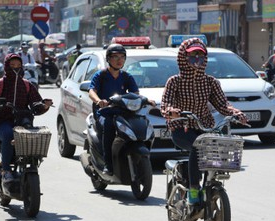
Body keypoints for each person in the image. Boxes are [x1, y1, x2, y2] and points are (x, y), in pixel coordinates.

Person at [160, 38, 247, 208]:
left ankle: (209, 185)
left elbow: (223, 105)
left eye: (201, 55)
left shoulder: (210, 82)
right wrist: (172, 111)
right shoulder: (174, 81)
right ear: (184, 57)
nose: (197, 59)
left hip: (205, 127)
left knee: (215, 149)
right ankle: (193, 190)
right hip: (181, 129)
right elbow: (166, 103)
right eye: (193, 55)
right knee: (198, 147)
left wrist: (236, 113)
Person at [0, 54, 53, 183]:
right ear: (6, 66)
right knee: (9, 134)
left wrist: (45, 105)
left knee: (35, 135)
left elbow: (36, 105)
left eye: (19, 66)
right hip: (1, 123)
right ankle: (6, 170)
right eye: (12, 65)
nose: (16, 68)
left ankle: (31, 166)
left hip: (22, 122)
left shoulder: (27, 85)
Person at [88, 43, 139, 175]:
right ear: (108, 59)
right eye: (115, 57)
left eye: (122, 57)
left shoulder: (127, 77)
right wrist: (99, 101)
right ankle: (108, 164)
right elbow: (91, 91)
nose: (119, 60)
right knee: (109, 126)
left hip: (122, 111)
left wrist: (146, 100)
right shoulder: (101, 75)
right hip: (105, 113)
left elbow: (135, 93)